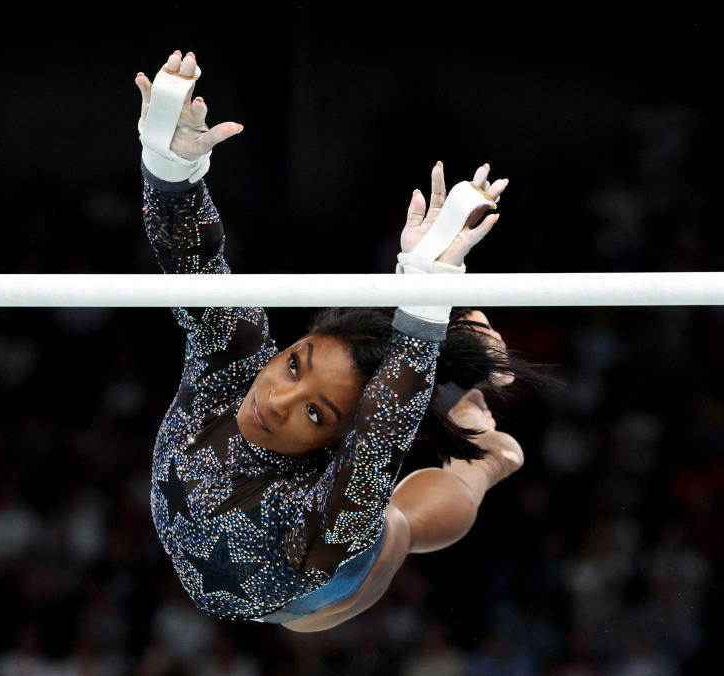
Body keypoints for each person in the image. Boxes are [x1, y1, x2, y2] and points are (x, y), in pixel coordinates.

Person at [137, 49, 526, 632]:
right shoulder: (231, 367)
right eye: (295, 366)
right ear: (292, 344)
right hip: (264, 567)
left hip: (309, 597)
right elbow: (192, 259)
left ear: (344, 440)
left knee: (400, 527)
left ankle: (491, 455)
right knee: (399, 421)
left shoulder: (319, 514)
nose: (276, 401)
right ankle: (456, 365)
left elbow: (384, 424)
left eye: (316, 415)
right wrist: (171, 172)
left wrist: (427, 301)